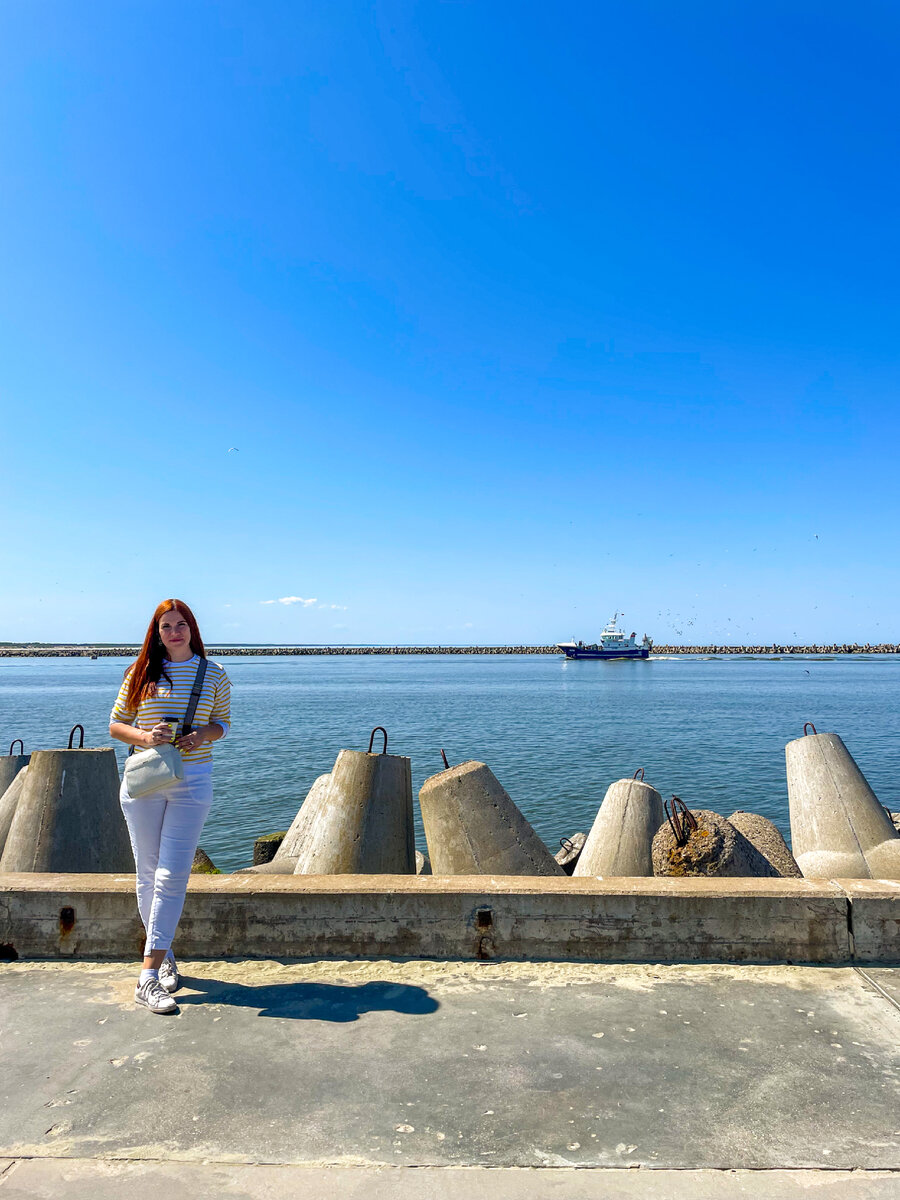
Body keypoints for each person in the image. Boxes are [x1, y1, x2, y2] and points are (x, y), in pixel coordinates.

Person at [110, 599, 231, 1014]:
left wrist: (201, 736)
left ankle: (146, 976)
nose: (175, 632)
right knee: (147, 874)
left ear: (192, 628)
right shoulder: (140, 671)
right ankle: (162, 955)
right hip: (145, 780)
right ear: (156, 632)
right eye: (166, 626)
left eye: (181, 624)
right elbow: (115, 724)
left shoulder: (213, 673)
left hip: (192, 781)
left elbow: (224, 723)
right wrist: (146, 737)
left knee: (172, 874)